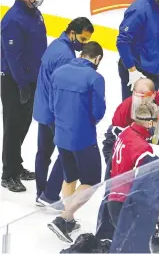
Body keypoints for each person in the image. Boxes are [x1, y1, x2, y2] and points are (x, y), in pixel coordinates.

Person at [47, 42, 106, 243]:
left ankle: (68, 218)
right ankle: (63, 218)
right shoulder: (95, 78)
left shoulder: (59, 72)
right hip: (83, 137)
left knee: (70, 176)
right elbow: (98, 111)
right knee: (91, 180)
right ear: (97, 58)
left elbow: (51, 103)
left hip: (61, 134)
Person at [33, 17, 94, 208]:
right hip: (54, 113)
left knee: (43, 152)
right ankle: (50, 194)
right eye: (83, 40)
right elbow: (62, 88)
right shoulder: (66, 57)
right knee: (66, 154)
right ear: (72, 33)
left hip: (42, 107)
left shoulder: (56, 45)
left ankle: (41, 191)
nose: (83, 45)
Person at [1, 0, 47, 192]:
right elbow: (13, 57)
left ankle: (16, 165)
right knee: (13, 126)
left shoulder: (33, 12)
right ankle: (8, 173)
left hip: (31, 78)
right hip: (14, 81)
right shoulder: (13, 20)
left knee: (24, 123)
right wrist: (21, 85)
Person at [107, 102, 159, 235]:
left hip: (114, 201)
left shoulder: (125, 134)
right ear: (150, 123)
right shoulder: (143, 150)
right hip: (129, 206)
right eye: (157, 122)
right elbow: (153, 185)